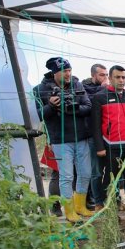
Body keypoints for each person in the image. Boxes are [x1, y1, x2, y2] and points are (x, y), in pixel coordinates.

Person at [33, 56, 94, 222]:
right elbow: (38, 115)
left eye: (69, 70)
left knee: (85, 173)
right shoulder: (40, 89)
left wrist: (72, 109)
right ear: (54, 73)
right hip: (60, 140)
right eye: (64, 71)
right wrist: (51, 106)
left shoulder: (77, 84)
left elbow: (88, 106)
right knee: (66, 176)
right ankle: (69, 210)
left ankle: (80, 205)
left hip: (82, 137)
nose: (68, 74)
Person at [91, 64, 125, 218]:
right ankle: (108, 205)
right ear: (110, 78)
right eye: (117, 77)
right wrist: (100, 147)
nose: (121, 80)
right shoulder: (100, 97)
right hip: (110, 145)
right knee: (110, 177)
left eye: (123, 77)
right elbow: (95, 125)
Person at [82, 63, 109, 210]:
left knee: (111, 170)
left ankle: (112, 199)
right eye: (101, 75)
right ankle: (97, 201)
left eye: (106, 75)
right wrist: (103, 89)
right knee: (96, 171)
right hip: (92, 136)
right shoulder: (83, 88)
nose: (105, 78)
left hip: (109, 136)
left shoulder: (108, 89)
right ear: (93, 75)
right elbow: (90, 104)